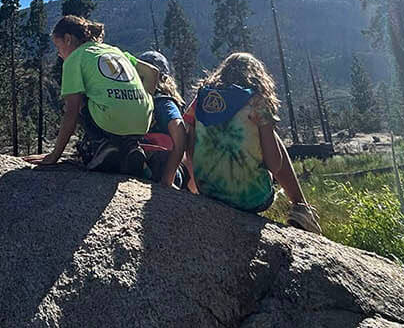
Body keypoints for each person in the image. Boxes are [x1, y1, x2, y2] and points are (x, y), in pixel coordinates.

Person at [184, 52, 322, 233]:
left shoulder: (202, 99)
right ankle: (301, 207)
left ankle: (301, 207)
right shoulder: (257, 103)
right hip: (251, 199)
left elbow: (190, 145)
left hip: (208, 192)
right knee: (271, 135)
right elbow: (274, 164)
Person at [28, 15, 153, 175]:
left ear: (68, 39)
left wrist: (54, 155)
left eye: (58, 47)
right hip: (142, 122)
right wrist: (140, 101)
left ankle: (102, 146)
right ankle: (130, 147)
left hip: (110, 121)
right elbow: (152, 72)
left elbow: (72, 112)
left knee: (76, 99)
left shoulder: (75, 58)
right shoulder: (114, 51)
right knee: (98, 95)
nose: (58, 54)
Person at [134, 51, 190, 189]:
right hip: (160, 168)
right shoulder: (163, 102)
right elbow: (180, 134)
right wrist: (167, 179)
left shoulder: (135, 100)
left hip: (138, 161)